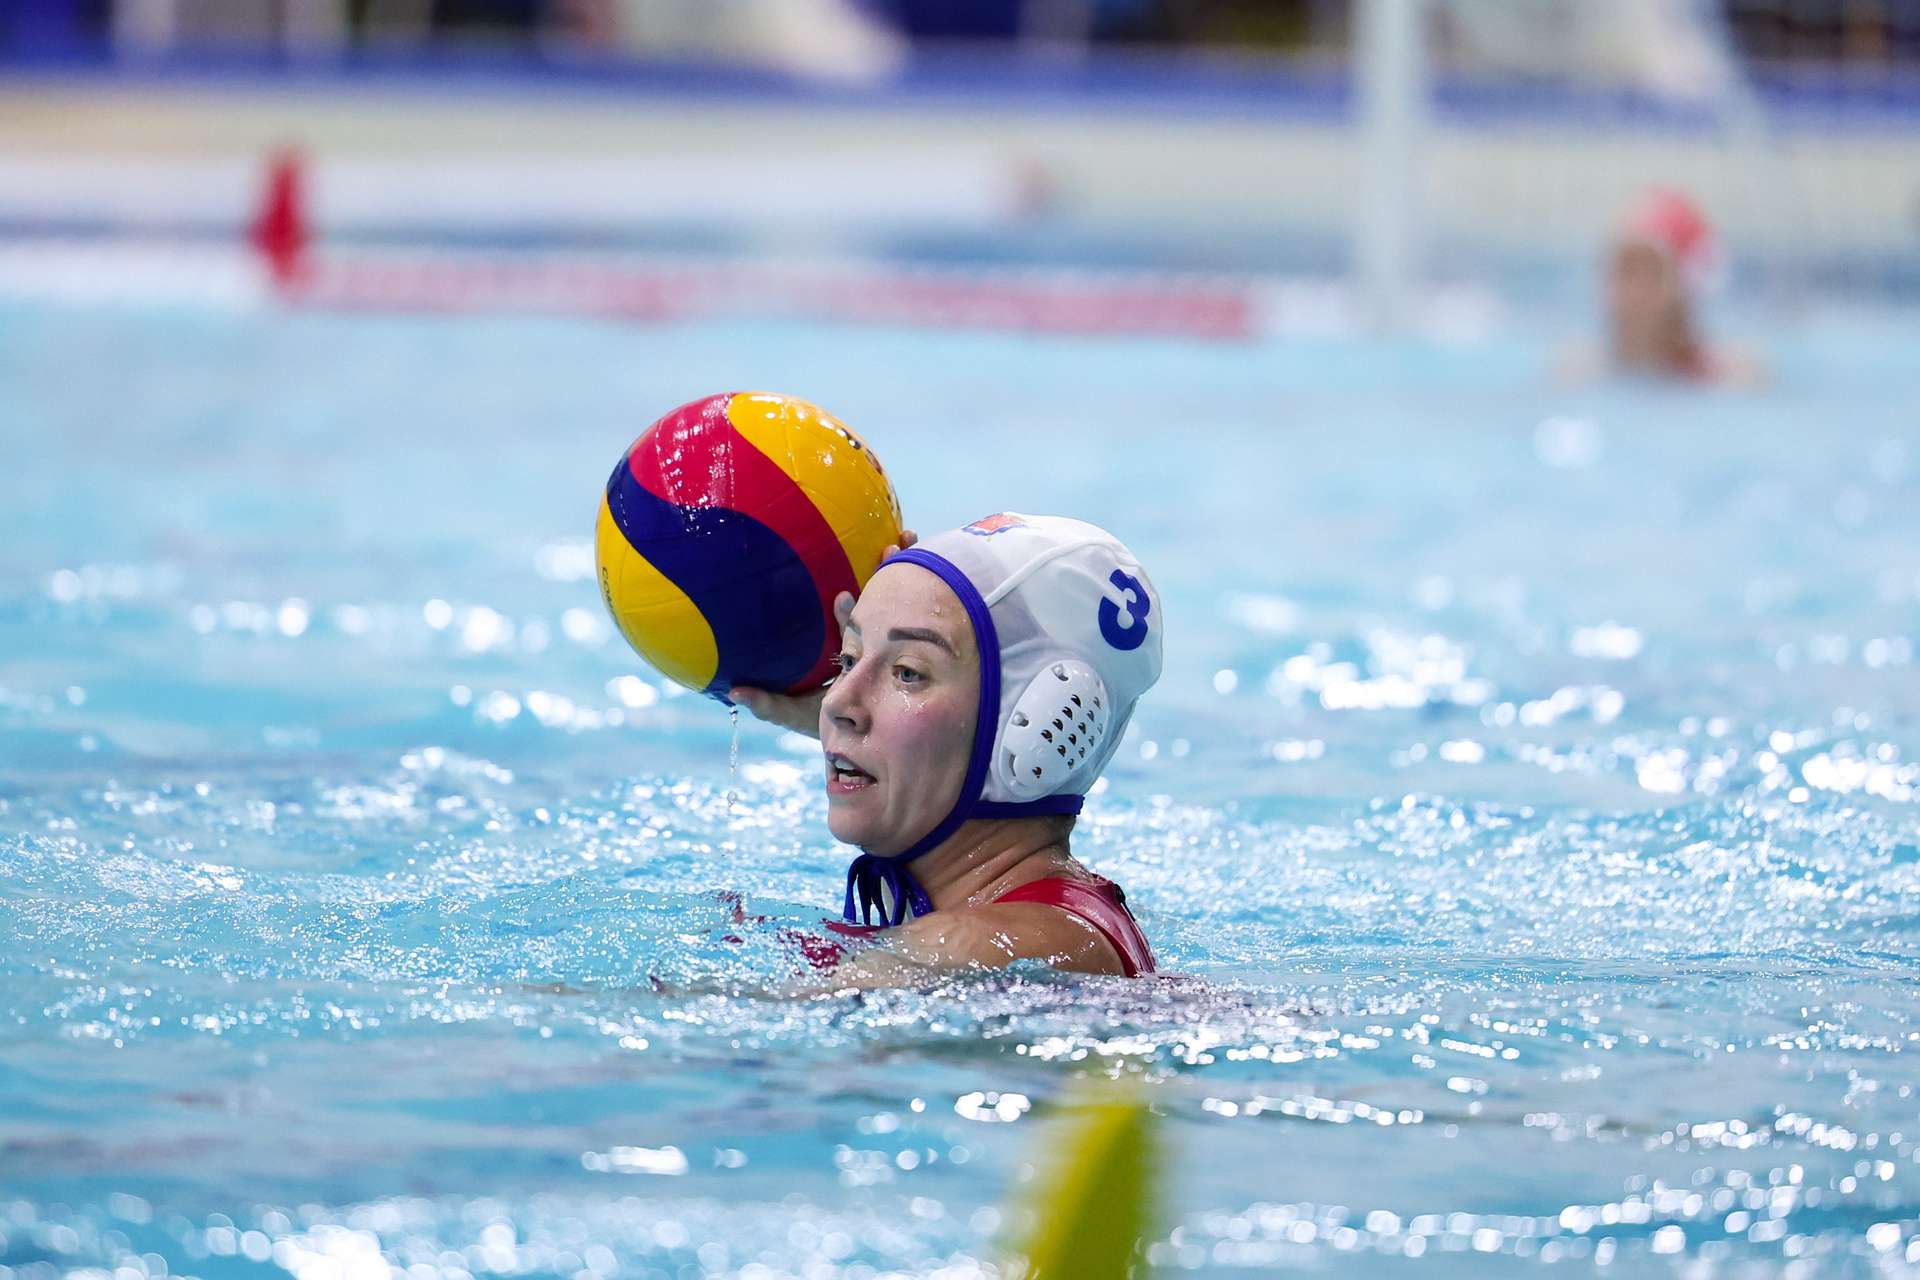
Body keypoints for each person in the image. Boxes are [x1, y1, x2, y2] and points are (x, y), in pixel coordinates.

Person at [731, 513, 1161, 987]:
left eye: (908, 673)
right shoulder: (1062, 917)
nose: (835, 702)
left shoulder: (977, 947)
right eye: (848, 659)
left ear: (1032, 725)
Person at [1560, 187, 1763, 386]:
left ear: (1687, 288)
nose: (1633, 292)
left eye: (1651, 273)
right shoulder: (1580, 374)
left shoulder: (1728, 379)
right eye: (1624, 270)